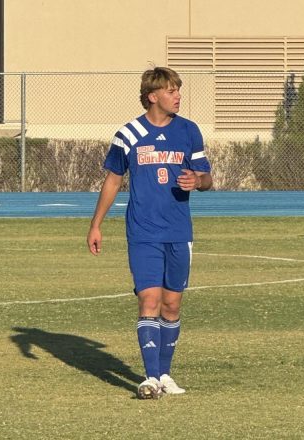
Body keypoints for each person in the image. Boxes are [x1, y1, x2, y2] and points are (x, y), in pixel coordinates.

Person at [87, 67, 212, 400]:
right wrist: (96, 224)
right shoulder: (128, 134)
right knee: (149, 300)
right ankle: (151, 378)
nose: (178, 96)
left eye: (178, 90)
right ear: (152, 96)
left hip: (178, 230)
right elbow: (113, 180)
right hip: (143, 231)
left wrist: (197, 182)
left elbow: (207, 179)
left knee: (171, 306)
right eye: (171, 91)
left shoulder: (189, 131)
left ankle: (166, 375)